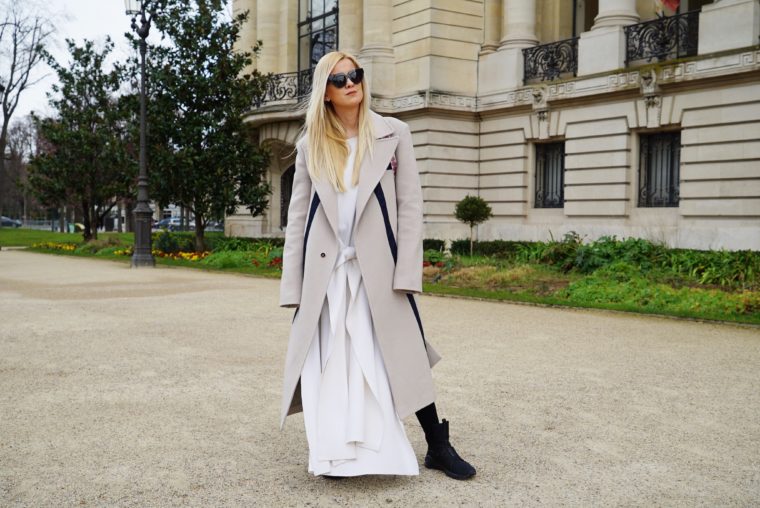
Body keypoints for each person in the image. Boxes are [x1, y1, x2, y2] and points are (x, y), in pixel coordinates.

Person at [278, 51, 475, 480]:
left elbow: (410, 207)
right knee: (334, 364)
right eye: (339, 79)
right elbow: (298, 220)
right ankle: (336, 453)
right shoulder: (311, 144)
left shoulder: (393, 133)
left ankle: (437, 445)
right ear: (325, 94)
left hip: (380, 270)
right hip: (327, 275)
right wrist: (292, 287)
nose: (351, 83)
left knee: (401, 352)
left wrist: (407, 271)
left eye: (356, 75)